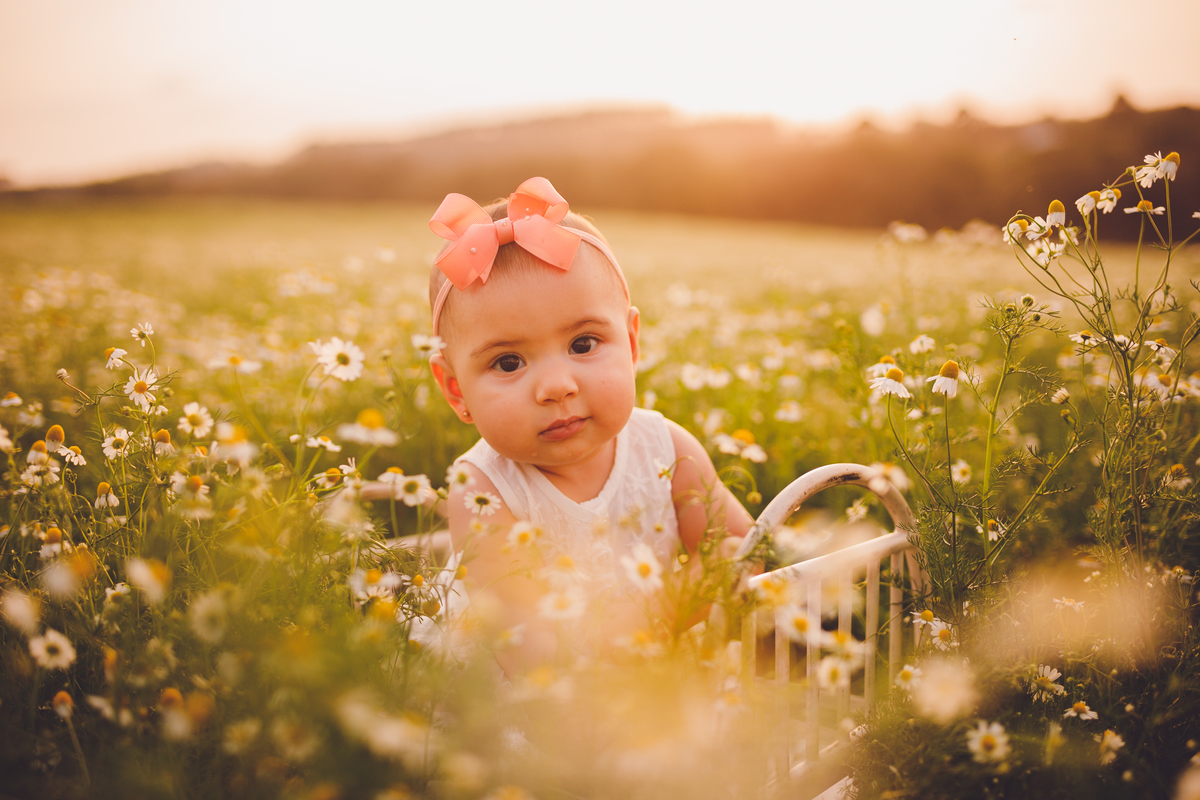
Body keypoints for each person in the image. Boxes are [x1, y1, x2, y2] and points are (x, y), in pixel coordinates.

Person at [426, 177, 753, 675]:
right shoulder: (482, 490)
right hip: (520, 705)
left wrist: (730, 564)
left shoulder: (666, 449)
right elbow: (530, 652)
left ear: (632, 342)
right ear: (456, 391)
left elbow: (745, 547)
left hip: (640, 678)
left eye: (583, 345)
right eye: (509, 362)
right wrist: (683, 600)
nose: (556, 386)